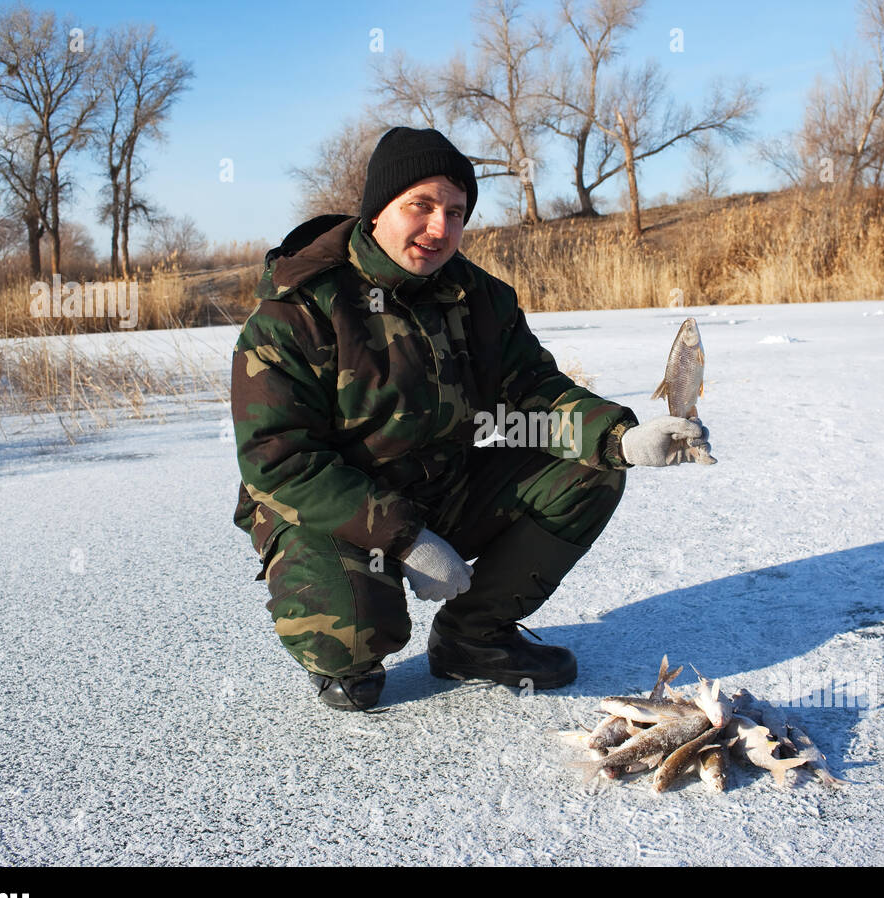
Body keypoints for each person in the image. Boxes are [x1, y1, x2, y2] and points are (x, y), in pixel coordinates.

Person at [230, 127, 710, 711]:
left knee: (591, 470)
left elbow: (531, 392)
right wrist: (404, 538)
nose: (440, 228)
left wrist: (620, 438)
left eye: (455, 212)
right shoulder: (298, 309)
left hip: (445, 485)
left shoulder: (480, 298)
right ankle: (350, 640)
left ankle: (473, 637)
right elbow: (278, 462)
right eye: (421, 206)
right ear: (379, 209)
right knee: (351, 650)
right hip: (330, 511)